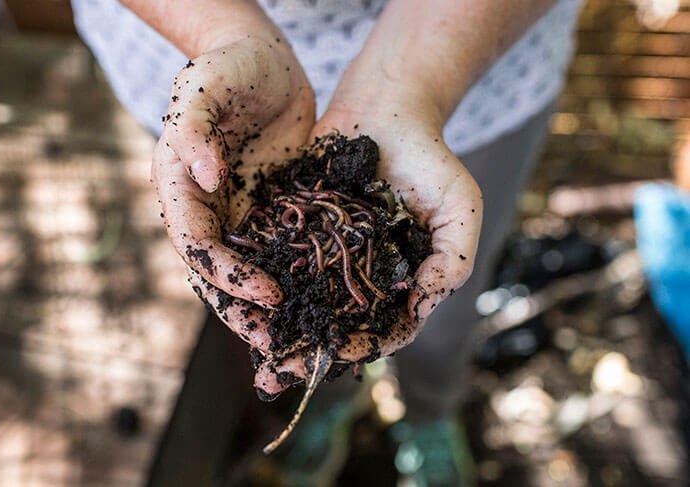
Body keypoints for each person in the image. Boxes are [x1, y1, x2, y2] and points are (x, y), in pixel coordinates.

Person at [71, 0, 581, 483]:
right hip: (211, 82)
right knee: (305, 330)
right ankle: (331, 402)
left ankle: (432, 411)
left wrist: (408, 85)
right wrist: (222, 32)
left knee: (441, 303)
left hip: (469, 55)